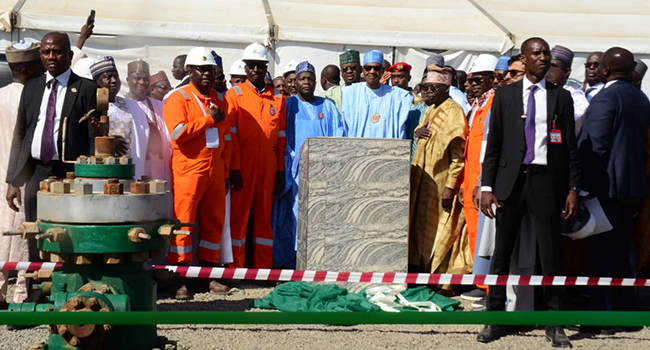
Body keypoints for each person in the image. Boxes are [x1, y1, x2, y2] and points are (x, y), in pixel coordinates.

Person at [478, 37, 579, 348]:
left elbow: (571, 149)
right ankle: (494, 318)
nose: (544, 57)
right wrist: (487, 185)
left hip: (547, 183)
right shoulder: (505, 96)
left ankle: (554, 323)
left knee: (550, 255)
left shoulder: (561, 97)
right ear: (523, 59)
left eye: (546, 53)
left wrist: (573, 188)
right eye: (537, 53)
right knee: (502, 254)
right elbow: (493, 145)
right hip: (511, 183)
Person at [5, 32, 101, 316]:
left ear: (69, 55)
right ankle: (36, 294)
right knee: (36, 235)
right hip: (39, 172)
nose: (51, 57)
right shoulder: (32, 88)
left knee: (71, 237)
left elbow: (95, 136)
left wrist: (90, 177)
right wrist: (14, 180)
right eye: (46, 52)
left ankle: (71, 294)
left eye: (57, 52)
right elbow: (21, 134)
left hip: (72, 174)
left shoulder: (85, 89)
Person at [578, 48, 650, 324]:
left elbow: (595, 145)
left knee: (602, 251)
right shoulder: (641, 98)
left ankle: (602, 315)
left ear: (605, 70)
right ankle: (626, 311)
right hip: (632, 186)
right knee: (624, 249)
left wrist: (582, 189)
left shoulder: (606, 97)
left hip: (605, 186)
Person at [163, 47, 231, 299]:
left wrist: (225, 171)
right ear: (189, 71)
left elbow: (226, 139)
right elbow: (177, 134)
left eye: (210, 70)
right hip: (189, 168)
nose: (207, 74)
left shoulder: (219, 100)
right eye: (201, 69)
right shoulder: (178, 98)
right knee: (184, 222)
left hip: (215, 168)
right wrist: (208, 120)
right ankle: (179, 277)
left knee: (214, 221)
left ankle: (209, 274)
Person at [272, 61, 344, 268]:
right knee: (293, 215)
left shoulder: (328, 106)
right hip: (294, 173)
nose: (306, 83)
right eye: (301, 79)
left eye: (309, 79)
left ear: (315, 82)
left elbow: (337, 135)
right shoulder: (288, 105)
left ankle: (318, 261)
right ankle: (290, 261)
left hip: (322, 172)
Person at [226, 43, 286, 269]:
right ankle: (235, 269)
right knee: (238, 218)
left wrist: (280, 170)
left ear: (266, 67)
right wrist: (234, 168)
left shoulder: (277, 97)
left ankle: (263, 269)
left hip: (268, 166)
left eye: (260, 66)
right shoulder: (236, 94)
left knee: (264, 219)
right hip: (243, 165)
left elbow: (281, 138)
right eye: (251, 66)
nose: (256, 70)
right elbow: (230, 136)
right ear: (245, 67)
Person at [409, 69, 468, 277]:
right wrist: (417, 131)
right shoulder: (431, 109)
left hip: (441, 185)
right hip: (423, 184)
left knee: (440, 230)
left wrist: (450, 187)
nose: (428, 92)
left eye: (433, 88)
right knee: (420, 231)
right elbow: (422, 131)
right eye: (425, 88)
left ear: (446, 88)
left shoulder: (454, 112)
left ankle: (440, 277)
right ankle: (420, 270)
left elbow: (458, 155)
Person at [0, 42, 44, 311]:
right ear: (27, 70)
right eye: (40, 65)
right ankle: (22, 296)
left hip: (3, 176)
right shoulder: (33, 98)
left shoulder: (0, 95)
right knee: (23, 234)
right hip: (22, 177)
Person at [457, 54, 498, 305]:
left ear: (492, 80)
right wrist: (464, 184)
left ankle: (492, 289)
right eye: (469, 81)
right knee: (475, 233)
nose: (470, 85)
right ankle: (480, 282)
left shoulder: (495, 105)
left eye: (477, 80)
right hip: (471, 181)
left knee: (488, 238)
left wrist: (484, 182)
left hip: (485, 182)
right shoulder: (477, 107)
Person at [341, 50, 412, 138]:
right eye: (368, 68)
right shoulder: (351, 93)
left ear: (382, 71)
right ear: (363, 70)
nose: (372, 71)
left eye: (376, 68)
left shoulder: (398, 96)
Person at [124, 60, 172, 183]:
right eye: (137, 78)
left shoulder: (159, 106)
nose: (142, 82)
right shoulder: (122, 106)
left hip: (158, 166)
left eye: (145, 79)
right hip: (135, 163)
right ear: (128, 80)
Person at [90, 56, 132, 158]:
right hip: (104, 162)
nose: (114, 81)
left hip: (129, 162)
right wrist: (108, 141)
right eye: (107, 77)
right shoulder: (91, 105)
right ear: (96, 82)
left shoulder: (127, 103)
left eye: (116, 77)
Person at [549, 45, 589, 134]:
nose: (550, 70)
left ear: (567, 72)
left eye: (554, 67)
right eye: (548, 66)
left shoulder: (576, 98)